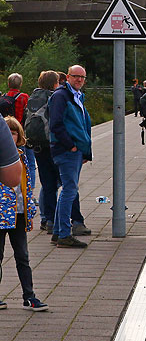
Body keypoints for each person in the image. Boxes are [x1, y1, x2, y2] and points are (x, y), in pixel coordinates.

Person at [28, 71, 85, 235]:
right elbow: (60, 123)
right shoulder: (58, 97)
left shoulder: (33, 98)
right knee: (69, 186)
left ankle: (49, 220)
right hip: (55, 146)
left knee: (48, 185)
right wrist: (72, 146)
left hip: (39, 147)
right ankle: (75, 221)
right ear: (55, 83)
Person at [1, 117, 48, 311]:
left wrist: (30, 209)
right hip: (2, 213)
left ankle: (29, 296)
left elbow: (26, 187)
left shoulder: (23, 156)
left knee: (23, 256)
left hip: (19, 213)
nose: (10, 137)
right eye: (7, 133)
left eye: (13, 133)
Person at [48, 64, 92, 248]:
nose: (79, 80)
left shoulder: (76, 96)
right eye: (75, 76)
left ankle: (58, 233)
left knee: (68, 189)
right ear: (67, 76)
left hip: (73, 151)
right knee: (69, 190)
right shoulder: (61, 96)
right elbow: (56, 124)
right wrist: (72, 146)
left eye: (82, 77)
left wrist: (84, 151)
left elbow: (80, 123)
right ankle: (64, 235)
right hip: (66, 151)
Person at [4, 74, 34, 221]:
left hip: (5, 134)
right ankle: (29, 194)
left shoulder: (4, 96)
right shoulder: (24, 97)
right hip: (19, 133)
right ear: (20, 84)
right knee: (28, 166)